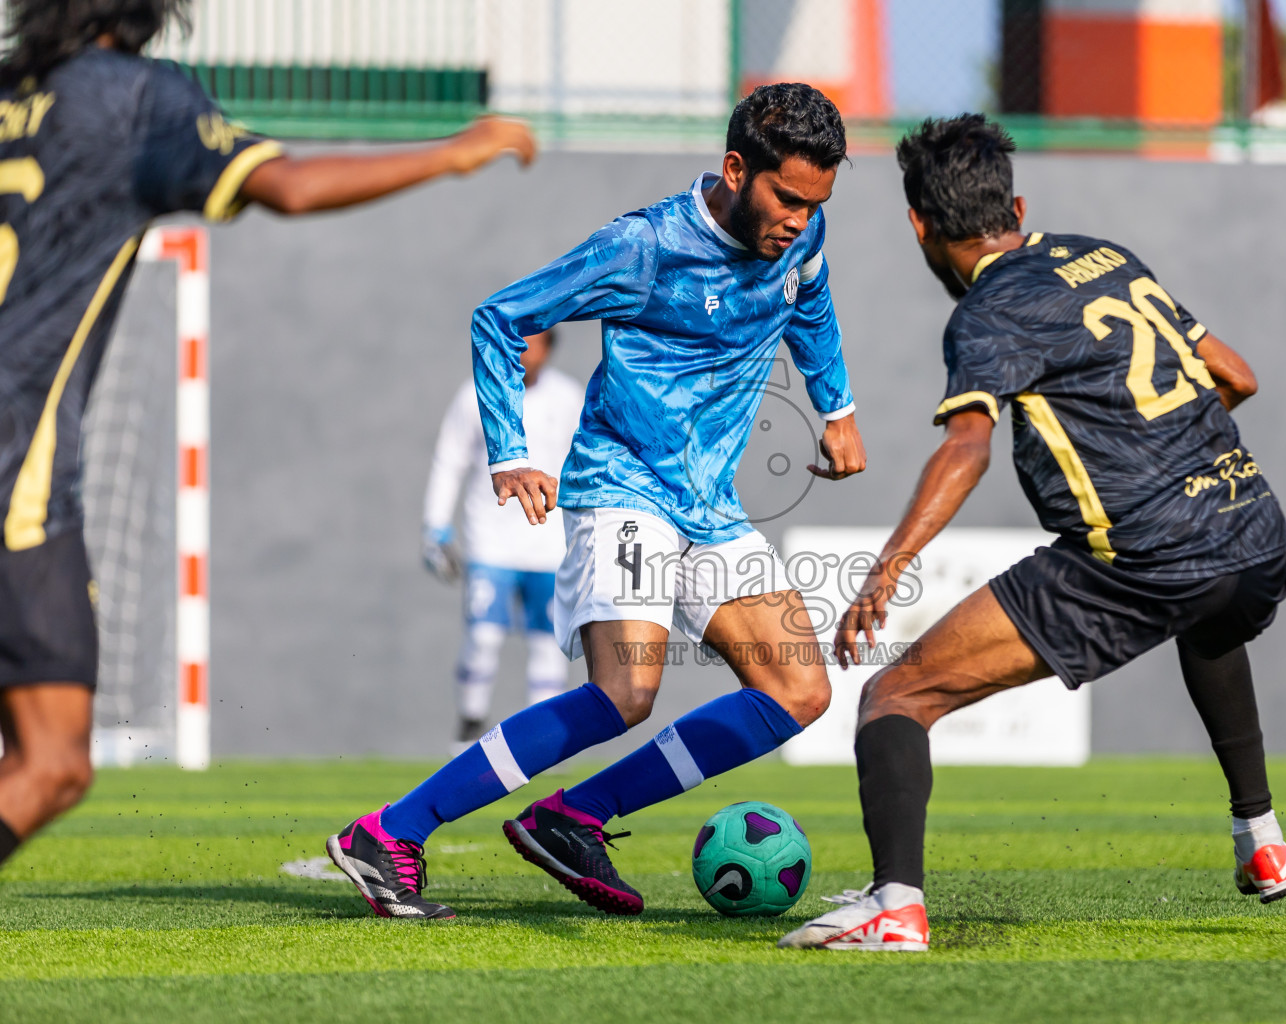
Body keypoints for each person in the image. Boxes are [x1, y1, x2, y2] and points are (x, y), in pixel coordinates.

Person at [0, 0, 537, 872]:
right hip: (15, 461)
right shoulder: (137, 99)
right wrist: (452, 151)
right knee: (53, 761)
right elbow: (285, 186)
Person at [327, 82, 867, 921]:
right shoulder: (643, 246)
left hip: (709, 502)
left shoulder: (804, 236)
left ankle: (571, 817)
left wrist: (836, 408)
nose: (800, 218)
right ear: (735, 169)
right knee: (627, 691)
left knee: (800, 691)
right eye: (787, 198)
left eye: (815, 203)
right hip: (624, 487)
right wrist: (509, 452)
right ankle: (390, 830)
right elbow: (501, 319)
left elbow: (814, 303)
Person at [779, 115, 1286, 953]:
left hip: (1138, 554)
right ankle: (1263, 841)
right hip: (1255, 528)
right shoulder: (1107, 257)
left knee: (896, 696)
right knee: (1208, 614)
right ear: (1016, 205)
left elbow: (966, 447)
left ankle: (895, 905)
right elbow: (1235, 375)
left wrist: (887, 571)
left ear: (920, 224)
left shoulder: (987, 313)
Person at [421, 328, 584, 742]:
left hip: (550, 545)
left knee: (549, 643)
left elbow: (585, 464)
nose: (526, 350)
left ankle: (539, 740)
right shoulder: (478, 393)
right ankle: (470, 726)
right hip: (491, 541)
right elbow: (449, 460)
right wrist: (435, 527)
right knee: (483, 636)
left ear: (549, 349)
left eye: (537, 341)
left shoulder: (569, 397)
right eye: (521, 339)